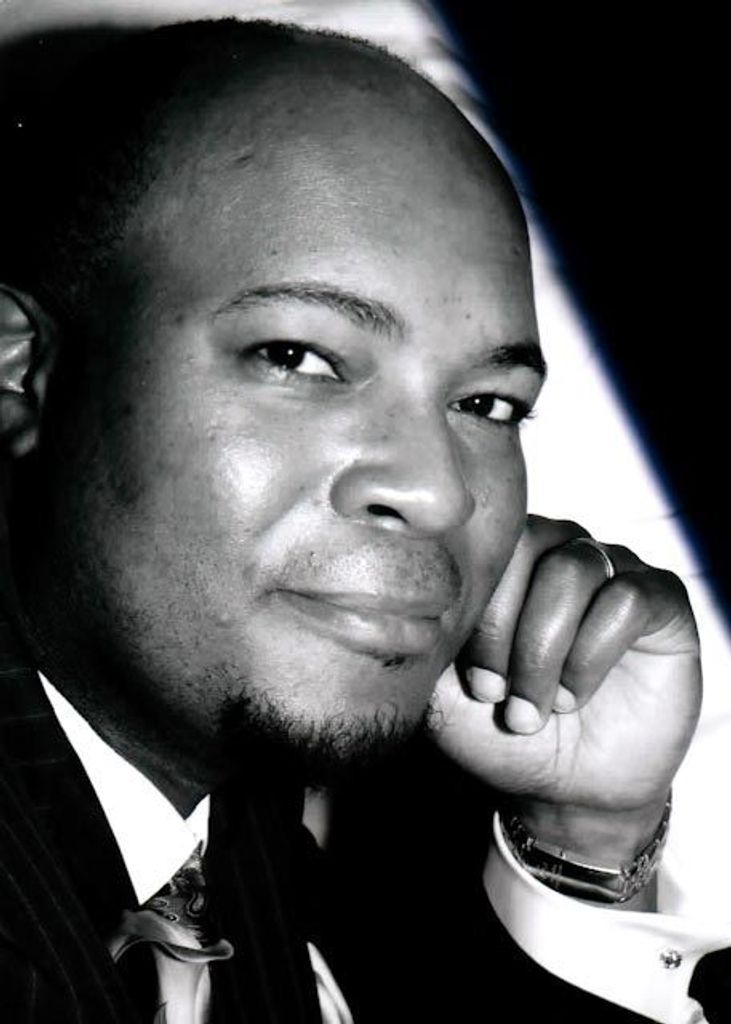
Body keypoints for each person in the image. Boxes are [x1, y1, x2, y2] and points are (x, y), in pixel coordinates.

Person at [0, 17, 716, 1023]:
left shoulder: (242, 838)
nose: (438, 491)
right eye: (298, 357)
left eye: (486, 404)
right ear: (22, 369)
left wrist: (584, 838)